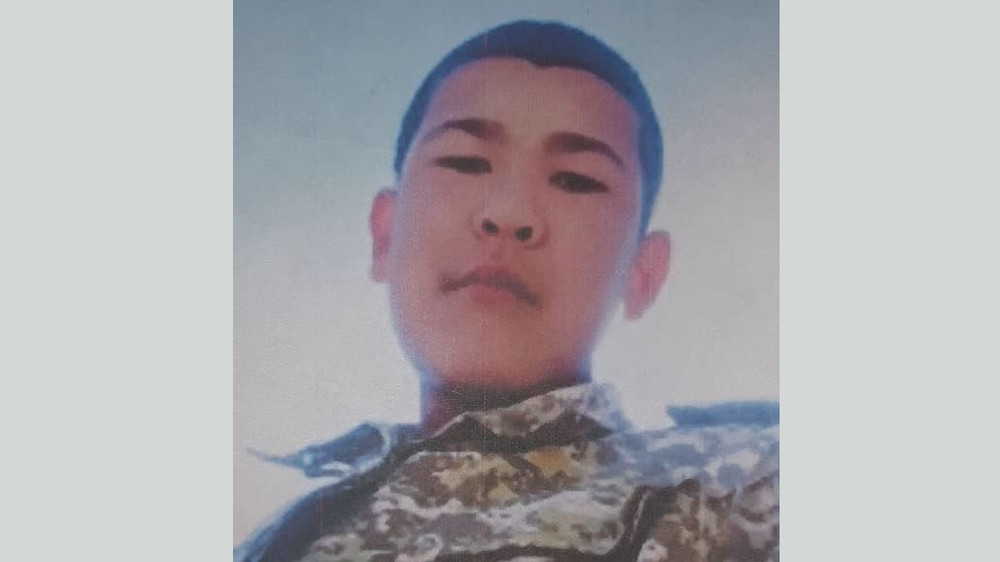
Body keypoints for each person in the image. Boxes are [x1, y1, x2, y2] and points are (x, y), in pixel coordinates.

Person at [236, 19, 778, 562]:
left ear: (643, 272)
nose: (509, 213)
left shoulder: (741, 489)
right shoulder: (283, 538)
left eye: (575, 179)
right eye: (465, 162)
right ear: (385, 234)